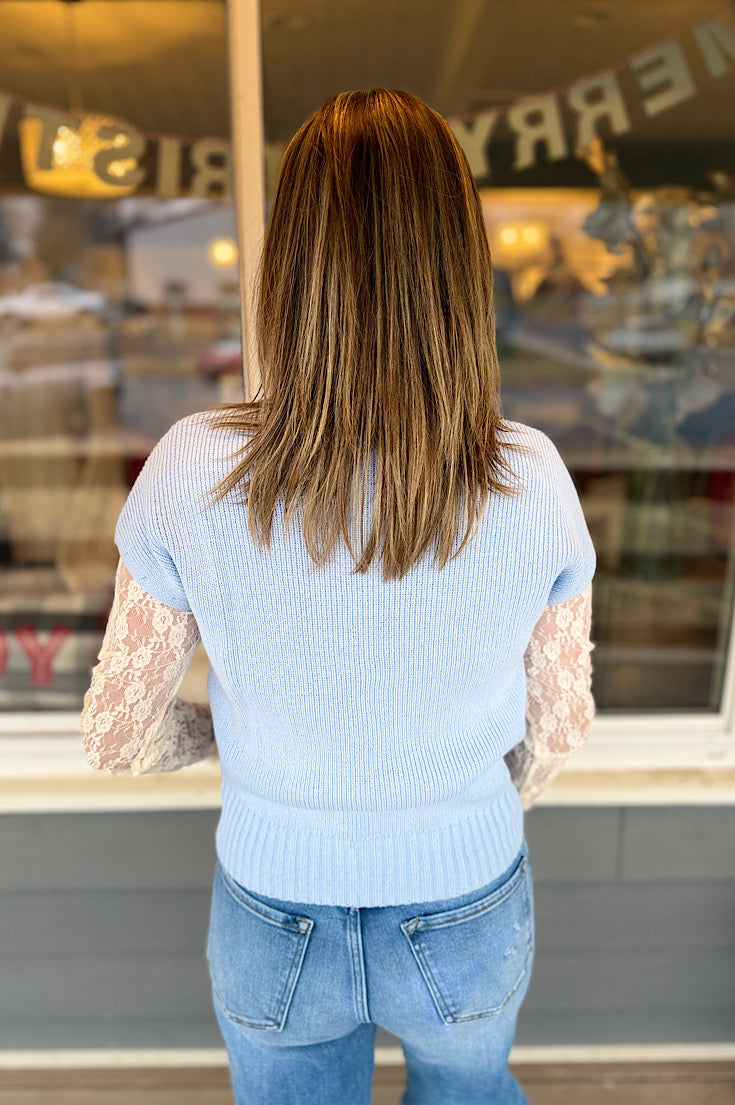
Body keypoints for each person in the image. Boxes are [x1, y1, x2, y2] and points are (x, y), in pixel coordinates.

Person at [80, 89, 595, 1105]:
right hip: (469, 899)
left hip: (278, 910)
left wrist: (239, 731)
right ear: (458, 265)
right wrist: (440, 776)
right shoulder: (533, 479)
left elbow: (114, 735)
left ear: (290, 265)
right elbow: (558, 734)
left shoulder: (193, 470)